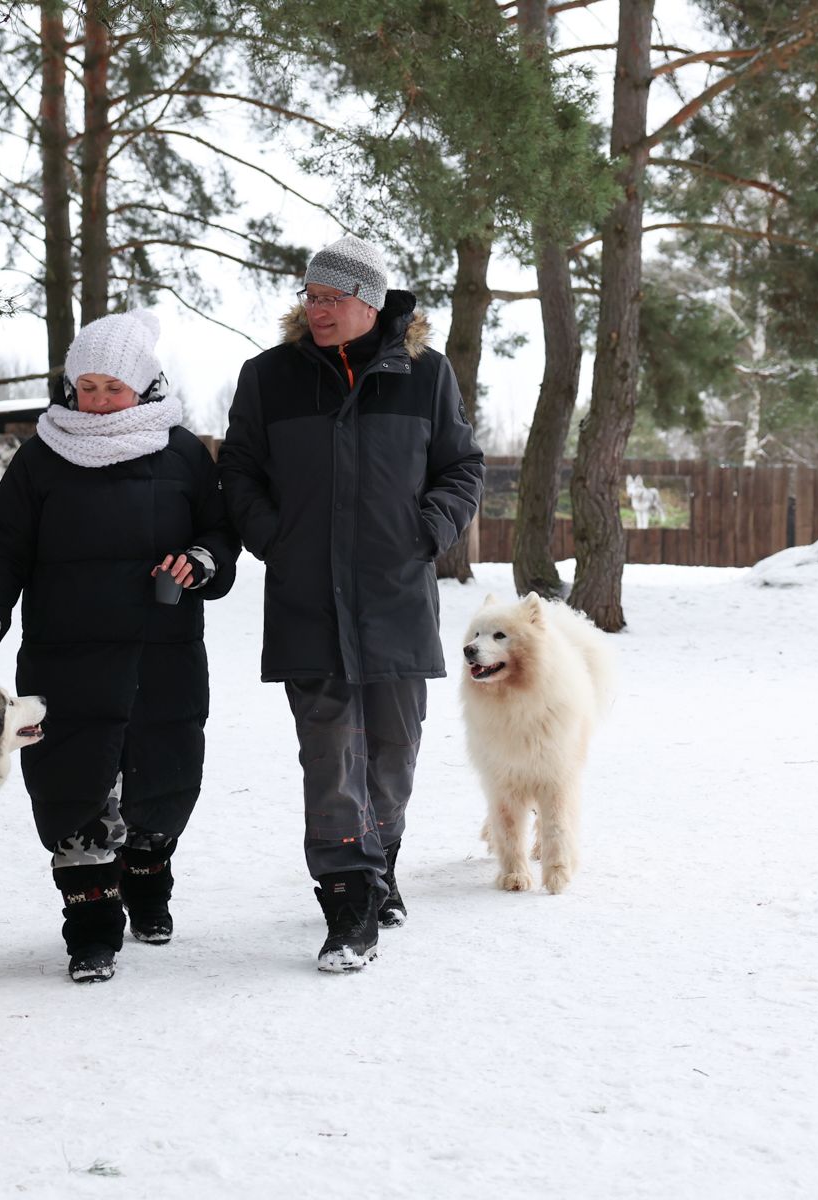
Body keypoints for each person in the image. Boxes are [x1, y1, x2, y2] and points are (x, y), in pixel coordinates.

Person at [218, 235, 485, 973]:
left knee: (394, 749)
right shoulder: (268, 377)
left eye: (332, 299)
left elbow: (463, 467)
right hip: (306, 596)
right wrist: (277, 537)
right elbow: (238, 470)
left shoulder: (426, 376)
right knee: (330, 755)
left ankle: (381, 860)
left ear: (370, 302)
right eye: (311, 297)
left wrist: (426, 529)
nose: (318, 310)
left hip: (395, 595)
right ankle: (349, 903)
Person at [0, 310, 237, 983]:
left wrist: (200, 560)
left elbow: (222, 536)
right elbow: (3, 549)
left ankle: (148, 880)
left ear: (144, 383)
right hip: (66, 652)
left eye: (113, 387)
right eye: (87, 386)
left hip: (160, 650)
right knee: (74, 790)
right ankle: (91, 928)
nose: (98, 400)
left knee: (160, 784)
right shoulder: (42, 455)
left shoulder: (183, 452)